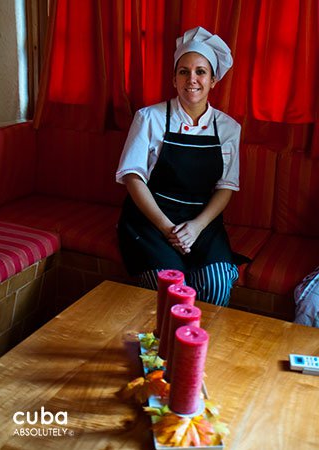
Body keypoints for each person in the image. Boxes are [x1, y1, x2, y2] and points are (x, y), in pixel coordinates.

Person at [116, 26, 243, 306]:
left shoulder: (229, 128)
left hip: (202, 220)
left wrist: (196, 227)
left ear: (213, 81)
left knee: (217, 283)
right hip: (151, 219)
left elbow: (226, 187)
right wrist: (166, 229)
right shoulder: (149, 118)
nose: (192, 79)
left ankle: (202, 347)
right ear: (174, 79)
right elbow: (132, 177)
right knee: (172, 289)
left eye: (201, 72)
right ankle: (164, 346)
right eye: (183, 71)